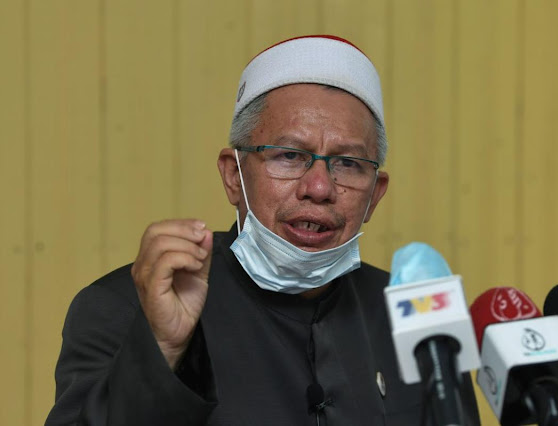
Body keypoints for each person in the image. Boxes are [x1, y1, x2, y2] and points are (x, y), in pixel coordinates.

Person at [46, 35, 480, 426]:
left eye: (348, 163)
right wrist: (162, 349)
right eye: (289, 156)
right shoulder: (125, 308)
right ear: (233, 175)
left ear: (375, 195)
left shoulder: (421, 319)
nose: (319, 188)